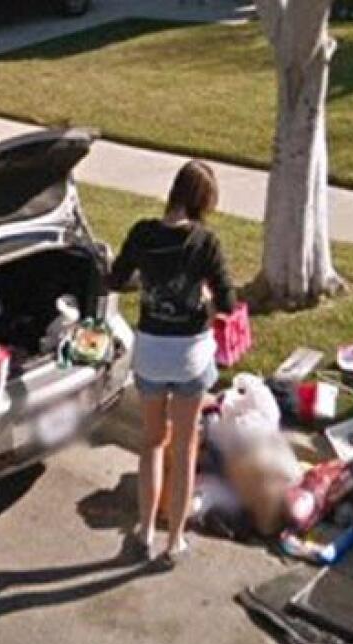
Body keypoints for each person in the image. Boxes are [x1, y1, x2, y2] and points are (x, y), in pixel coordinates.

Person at [107, 160, 236, 563]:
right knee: (184, 450)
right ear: (203, 202)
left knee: (151, 443)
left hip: (150, 353)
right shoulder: (205, 242)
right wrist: (206, 300)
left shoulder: (143, 233)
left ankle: (144, 531)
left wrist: (146, 282)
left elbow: (116, 279)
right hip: (189, 358)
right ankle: (174, 539)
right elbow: (228, 303)